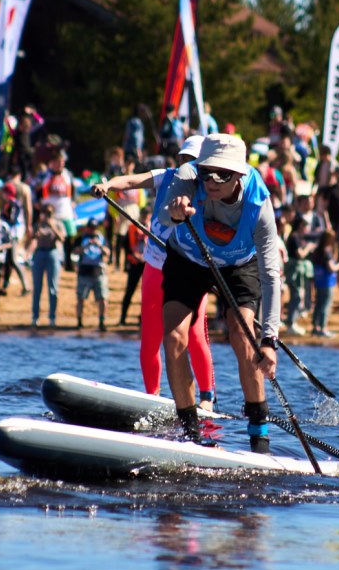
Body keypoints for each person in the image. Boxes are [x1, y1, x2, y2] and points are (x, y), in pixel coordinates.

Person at [161, 134, 283, 452]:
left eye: (223, 174)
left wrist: (270, 341)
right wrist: (174, 212)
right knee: (174, 338)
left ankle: (259, 436)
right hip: (188, 260)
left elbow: (271, 275)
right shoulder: (188, 178)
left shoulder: (259, 204)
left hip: (238, 266)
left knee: (242, 337)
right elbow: (161, 217)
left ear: (239, 175)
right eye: (207, 172)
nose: (212, 181)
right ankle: (190, 432)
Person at [91, 135, 216, 404]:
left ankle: (207, 397)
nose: (186, 165)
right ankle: (153, 397)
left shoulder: (207, 189)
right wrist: (108, 185)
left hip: (190, 270)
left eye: (192, 161)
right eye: (183, 159)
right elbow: (133, 180)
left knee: (194, 336)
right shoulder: (167, 176)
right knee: (150, 338)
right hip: (156, 266)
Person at [25, 203, 66, 328]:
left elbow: (62, 239)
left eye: (49, 213)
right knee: (37, 288)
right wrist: (34, 235)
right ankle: (35, 317)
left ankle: (52, 317)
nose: (47, 215)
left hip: (52, 253)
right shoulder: (38, 225)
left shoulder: (58, 224)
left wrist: (52, 227)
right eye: (45, 213)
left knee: (53, 287)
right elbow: (31, 239)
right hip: (39, 254)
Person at [74, 218, 111, 331]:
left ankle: (102, 321)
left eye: (94, 228)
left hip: (99, 272)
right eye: (91, 228)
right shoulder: (81, 238)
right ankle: (79, 321)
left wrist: (99, 245)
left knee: (102, 298)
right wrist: (86, 246)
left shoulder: (102, 238)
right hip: (84, 272)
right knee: (81, 298)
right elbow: (75, 251)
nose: (92, 230)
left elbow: (108, 253)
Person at [309, 227, 339, 337]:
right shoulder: (327, 251)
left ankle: (315, 327)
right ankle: (323, 328)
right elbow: (332, 268)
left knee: (318, 304)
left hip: (318, 280)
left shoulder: (317, 250)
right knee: (326, 304)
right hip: (327, 281)